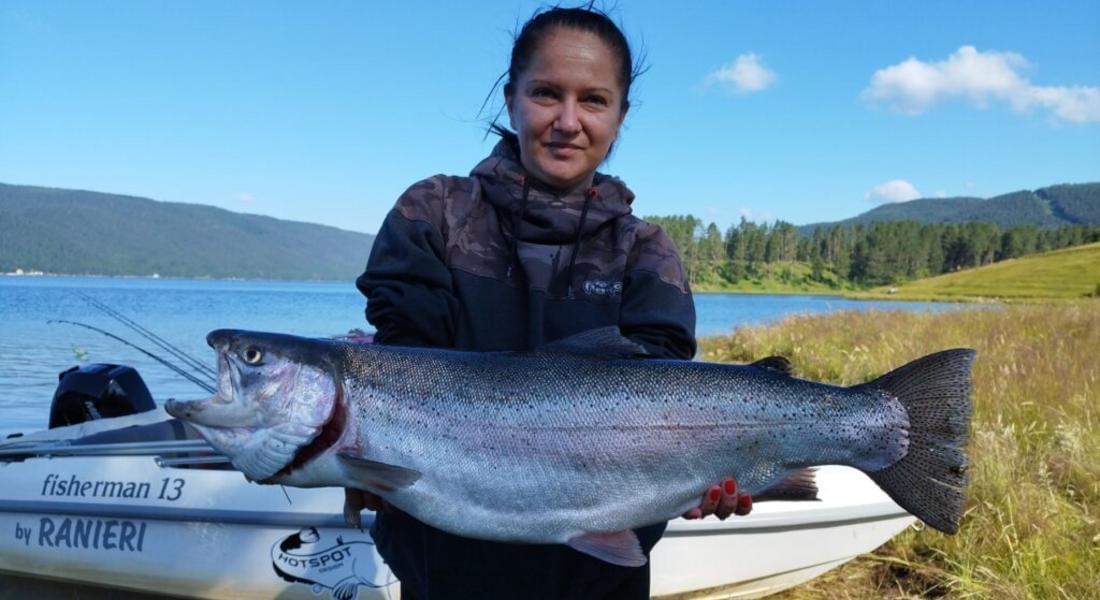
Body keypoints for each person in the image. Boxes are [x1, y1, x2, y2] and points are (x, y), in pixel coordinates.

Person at [353, 6, 751, 599]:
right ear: (511, 98)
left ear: (620, 116)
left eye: (593, 100)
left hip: (598, 579)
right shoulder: (433, 214)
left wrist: (702, 473)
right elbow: (404, 367)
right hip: (445, 572)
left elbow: (665, 392)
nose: (568, 121)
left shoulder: (646, 251)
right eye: (546, 93)